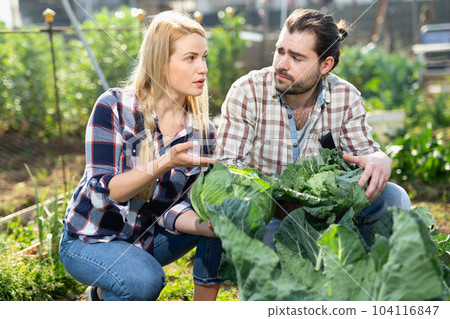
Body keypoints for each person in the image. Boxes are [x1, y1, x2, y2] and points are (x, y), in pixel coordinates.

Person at [59, 11, 223, 301]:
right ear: (161, 63)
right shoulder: (114, 107)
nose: (203, 68)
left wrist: (208, 227)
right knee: (144, 281)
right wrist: (165, 162)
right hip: (92, 238)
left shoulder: (202, 132)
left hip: (145, 238)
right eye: (190, 58)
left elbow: (174, 208)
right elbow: (102, 193)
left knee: (221, 216)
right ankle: (106, 292)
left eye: (204, 57)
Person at [215, 8, 411, 249]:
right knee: (278, 275)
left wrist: (380, 158)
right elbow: (227, 169)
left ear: (326, 65)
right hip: (265, 219)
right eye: (280, 51)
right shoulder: (247, 91)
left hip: (328, 221)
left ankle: (372, 277)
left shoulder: (345, 96)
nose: (282, 64)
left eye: (296, 58)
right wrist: (284, 204)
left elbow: (365, 155)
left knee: (394, 197)